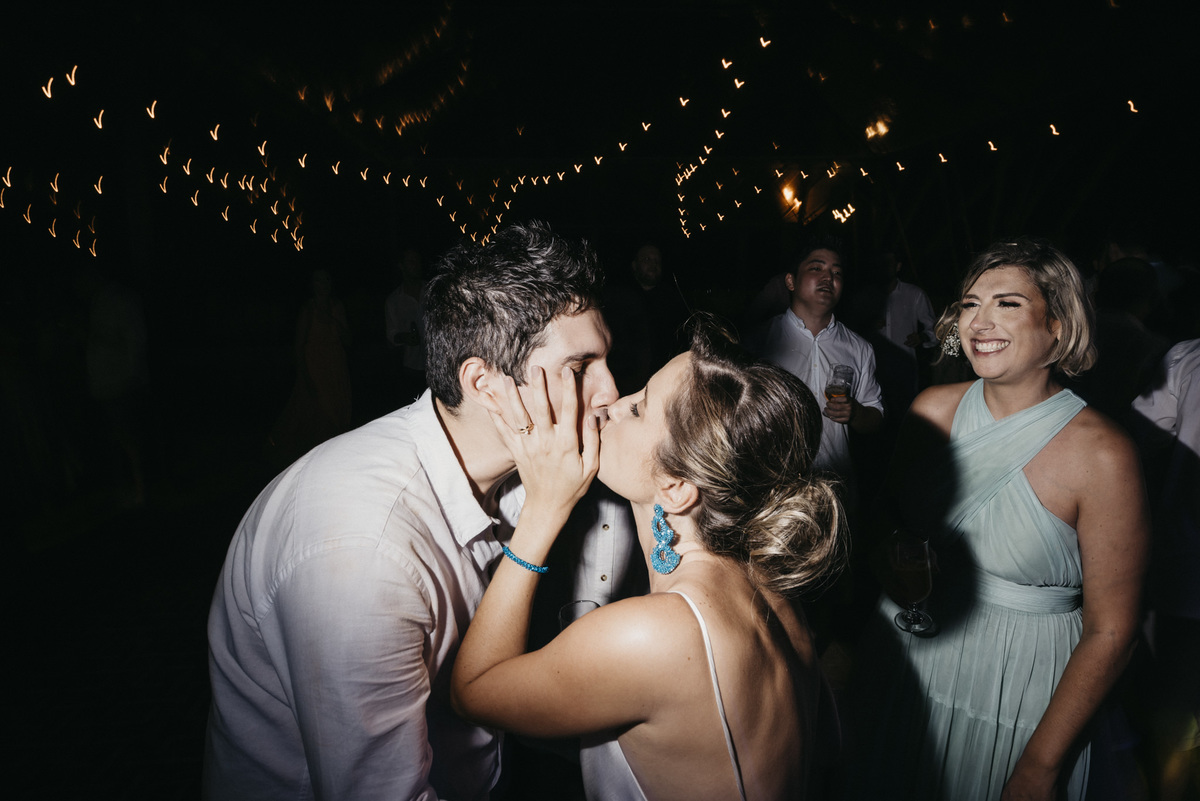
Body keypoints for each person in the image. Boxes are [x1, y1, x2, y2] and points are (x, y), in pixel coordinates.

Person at [203, 222, 626, 801]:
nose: (610, 391)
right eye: (581, 369)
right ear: (484, 383)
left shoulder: (527, 476)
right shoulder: (360, 553)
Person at [452, 317, 848, 801]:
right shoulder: (768, 586)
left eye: (638, 409)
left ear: (676, 487)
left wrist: (543, 510)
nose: (611, 404)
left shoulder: (656, 633)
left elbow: (472, 692)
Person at [846, 238, 1149, 800]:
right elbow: (884, 516)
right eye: (968, 304)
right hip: (909, 659)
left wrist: (1039, 768)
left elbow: (1114, 630)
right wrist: (889, 549)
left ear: (1058, 325)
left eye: (1007, 304)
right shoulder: (931, 409)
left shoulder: (1104, 455)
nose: (979, 322)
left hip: (1022, 685)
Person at [749, 234, 884, 510]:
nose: (828, 277)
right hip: (772, 492)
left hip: (836, 492)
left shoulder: (859, 348)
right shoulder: (757, 343)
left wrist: (855, 412)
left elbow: (876, 417)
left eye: (836, 272)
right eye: (816, 268)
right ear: (790, 281)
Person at [1130, 339, 1200, 800]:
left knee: (1178, 694)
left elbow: (1140, 433)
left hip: (1188, 561)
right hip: (1187, 562)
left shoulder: (1190, 355)